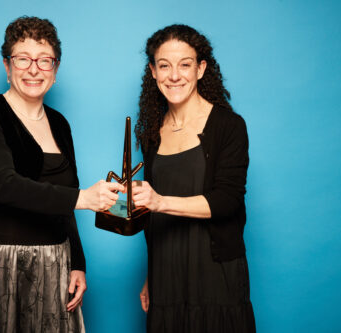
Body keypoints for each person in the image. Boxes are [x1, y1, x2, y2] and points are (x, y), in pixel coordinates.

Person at [0, 16, 123, 333]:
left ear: (55, 69)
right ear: (7, 66)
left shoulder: (60, 123)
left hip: (51, 264)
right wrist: (85, 198)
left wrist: (77, 262)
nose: (34, 69)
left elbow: (64, 201)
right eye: (23, 59)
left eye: (44, 60)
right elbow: (3, 185)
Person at [132, 24, 256, 332]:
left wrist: (160, 201)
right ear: (153, 72)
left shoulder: (228, 126)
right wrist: (151, 274)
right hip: (166, 271)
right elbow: (150, 217)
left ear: (200, 69)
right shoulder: (151, 134)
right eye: (164, 66)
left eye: (185, 64)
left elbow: (226, 201)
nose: (175, 75)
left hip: (215, 270)